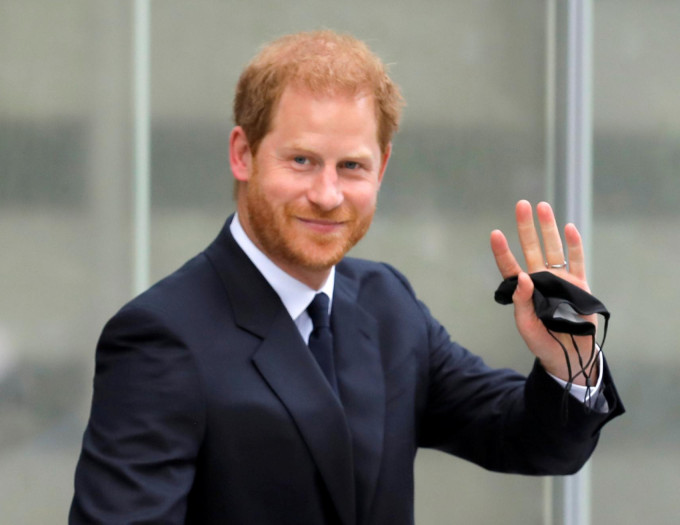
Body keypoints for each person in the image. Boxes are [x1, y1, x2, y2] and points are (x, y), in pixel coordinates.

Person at [69, 30, 624, 524]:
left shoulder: (387, 303)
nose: (328, 195)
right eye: (302, 161)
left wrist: (565, 361)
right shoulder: (160, 337)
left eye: (351, 166)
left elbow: (531, 442)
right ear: (243, 154)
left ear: (382, 167)